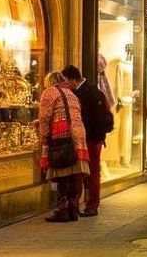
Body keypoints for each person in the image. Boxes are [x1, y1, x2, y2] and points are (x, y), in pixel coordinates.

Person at [61, 65, 113, 217]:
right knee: (82, 172)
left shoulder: (90, 93)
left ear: (72, 79)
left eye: (66, 81)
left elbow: (98, 118)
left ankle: (91, 205)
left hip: (90, 139)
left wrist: (96, 137)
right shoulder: (85, 92)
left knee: (90, 172)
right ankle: (79, 204)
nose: (65, 85)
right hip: (87, 139)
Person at [37, 71, 90, 223]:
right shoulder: (71, 94)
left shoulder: (50, 92)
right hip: (78, 138)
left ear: (49, 82)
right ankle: (73, 208)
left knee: (62, 175)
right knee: (74, 176)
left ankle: (62, 209)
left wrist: (43, 139)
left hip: (62, 137)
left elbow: (45, 118)